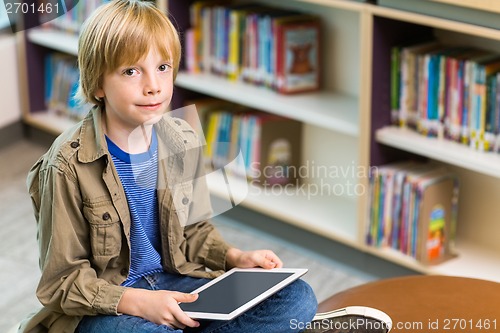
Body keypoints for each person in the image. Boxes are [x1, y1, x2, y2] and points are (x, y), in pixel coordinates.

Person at [21, 1, 317, 332]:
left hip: (174, 281)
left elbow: (192, 232)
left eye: (163, 67)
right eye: (131, 71)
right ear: (98, 83)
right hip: (107, 306)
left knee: (296, 296)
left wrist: (235, 258)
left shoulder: (181, 137)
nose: (154, 86)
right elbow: (61, 282)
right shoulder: (66, 164)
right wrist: (139, 303)